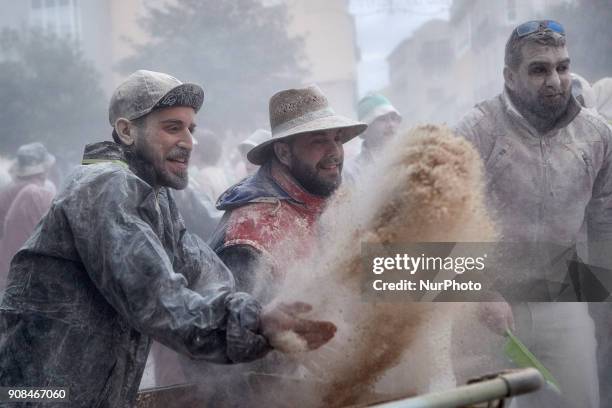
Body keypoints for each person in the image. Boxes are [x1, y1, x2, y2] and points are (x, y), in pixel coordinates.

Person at [0, 70, 335, 407]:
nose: (189, 141)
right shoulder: (103, 185)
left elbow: (210, 278)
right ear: (126, 131)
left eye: (191, 129)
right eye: (172, 127)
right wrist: (257, 322)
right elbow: (158, 300)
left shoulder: (156, 198)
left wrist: (267, 321)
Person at [453, 20, 612, 408]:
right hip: (487, 309)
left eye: (562, 66)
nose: (555, 80)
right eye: (539, 69)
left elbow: (604, 224)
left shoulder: (598, 135)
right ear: (509, 76)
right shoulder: (477, 130)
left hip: (563, 302)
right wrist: (478, 291)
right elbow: (445, 216)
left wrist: (605, 305)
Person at [209, 85, 366, 300]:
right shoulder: (251, 231)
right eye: (319, 140)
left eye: (337, 138)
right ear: (283, 153)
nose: (335, 152)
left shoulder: (320, 197)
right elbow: (242, 324)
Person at [347, 93, 401, 178]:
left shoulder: (409, 160)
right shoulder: (352, 171)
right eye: (382, 119)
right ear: (364, 129)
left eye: (393, 118)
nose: (391, 124)